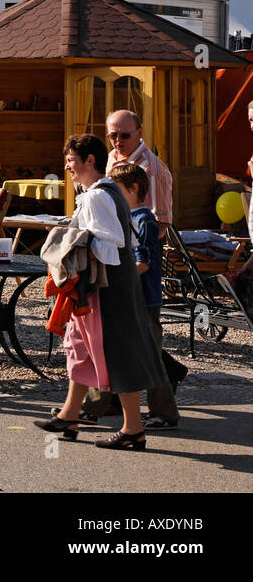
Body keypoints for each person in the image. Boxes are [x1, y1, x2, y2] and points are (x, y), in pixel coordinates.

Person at [35, 135, 169, 450]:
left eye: (71, 160)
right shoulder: (105, 191)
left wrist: (72, 239)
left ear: (90, 161)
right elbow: (126, 238)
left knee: (119, 354)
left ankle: (133, 430)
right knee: (80, 345)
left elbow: (112, 243)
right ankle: (69, 415)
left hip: (109, 286)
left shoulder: (97, 196)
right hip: (112, 283)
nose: (66, 166)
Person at [79, 163, 186, 429]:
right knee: (111, 351)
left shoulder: (144, 219)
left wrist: (118, 281)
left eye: (116, 189)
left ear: (133, 188)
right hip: (130, 298)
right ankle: (91, 408)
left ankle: (164, 413)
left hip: (143, 300)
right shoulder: (125, 217)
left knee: (148, 356)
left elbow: (144, 261)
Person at [105, 109, 172, 226]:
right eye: (113, 135)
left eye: (125, 136)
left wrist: (138, 243)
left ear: (140, 132)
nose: (118, 140)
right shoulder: (111, 157)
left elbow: (161, 223)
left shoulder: (151, 169)